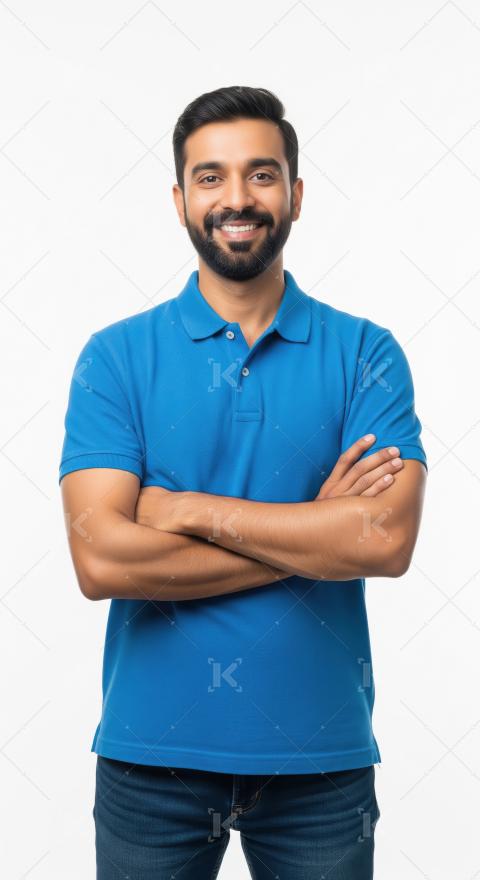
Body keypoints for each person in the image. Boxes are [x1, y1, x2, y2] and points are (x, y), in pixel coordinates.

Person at [59, 86, 427, 879]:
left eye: (262, 176)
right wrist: (315, 531)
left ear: (295, 195)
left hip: (322, 761)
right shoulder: (115, 358)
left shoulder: (368, 353)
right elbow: (103, 563)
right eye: (211, 177)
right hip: (148, 757)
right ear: (180, 199)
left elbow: (386, 539)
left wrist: (186, 511)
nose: (237, 198)